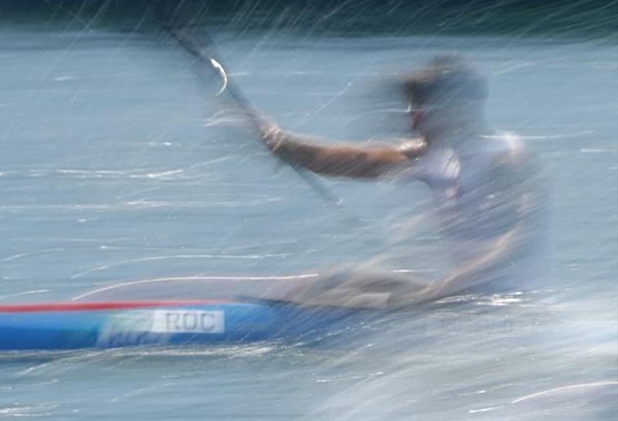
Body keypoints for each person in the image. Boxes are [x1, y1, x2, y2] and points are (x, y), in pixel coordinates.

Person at [98, 56, 547, 308]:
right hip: (449, 295)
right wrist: (275, 139)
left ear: (461, 106)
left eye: (421, 109)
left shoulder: (506, 158)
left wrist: (438, 292)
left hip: (495, 307)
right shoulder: (427, 155)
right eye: (410, 108)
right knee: (333, 279)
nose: (411, 119)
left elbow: (513, 244)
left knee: (336, 293)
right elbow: (345, 158)